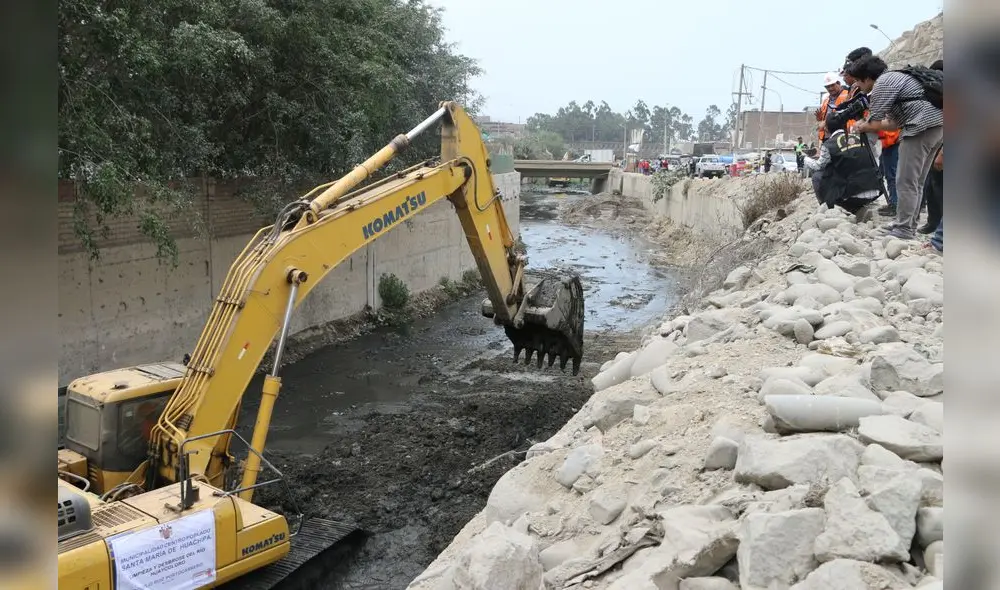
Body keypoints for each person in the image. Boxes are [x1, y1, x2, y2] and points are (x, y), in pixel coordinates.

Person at [852, 55, 944, 240]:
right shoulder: (898, 77)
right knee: (916, 182)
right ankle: (908, 224)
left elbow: (875, 121)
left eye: (857, 82)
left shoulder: (883, 83)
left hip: (919, 128)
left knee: (906, 181)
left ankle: (904, 229)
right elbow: (893, 124)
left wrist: (862, 125)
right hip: (937, 127)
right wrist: (869, 124)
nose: (857, 87)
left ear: (867, 78)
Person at [804, 115, 883, 221]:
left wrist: (806, 159)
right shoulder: (859, 137)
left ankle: (827, 209)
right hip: (875, 191)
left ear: (826, 129)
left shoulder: (828, 145)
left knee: (818, 176)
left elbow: (818, 166)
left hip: (852, 197)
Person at [817, 73, 849, 142]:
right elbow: (823, 119)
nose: (830, 88)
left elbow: (844, 113)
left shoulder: (847, 95)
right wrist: (820, 119)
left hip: (843, 135)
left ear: (838, 83)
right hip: (827, 137)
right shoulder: (826, 100)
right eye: (828, 86)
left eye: (832, 85)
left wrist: (825, 122)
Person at [877, 127, 902, 216]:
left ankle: (894, 204)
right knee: (891, 173)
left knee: (892, 174)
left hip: (892, 141)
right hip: (891, 141)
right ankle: (893, 202)